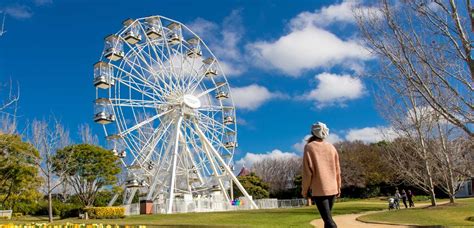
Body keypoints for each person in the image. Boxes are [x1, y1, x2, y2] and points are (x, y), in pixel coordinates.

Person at [302, 122, 341, 228]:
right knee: (327, 220)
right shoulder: (331, 147)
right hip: (333, 188)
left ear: (312, 132)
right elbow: (337, 170)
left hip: (320, 190)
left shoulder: (309, 147)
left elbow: (307, 172)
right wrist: (338, 187)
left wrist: (305, 190)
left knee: (329, 222)